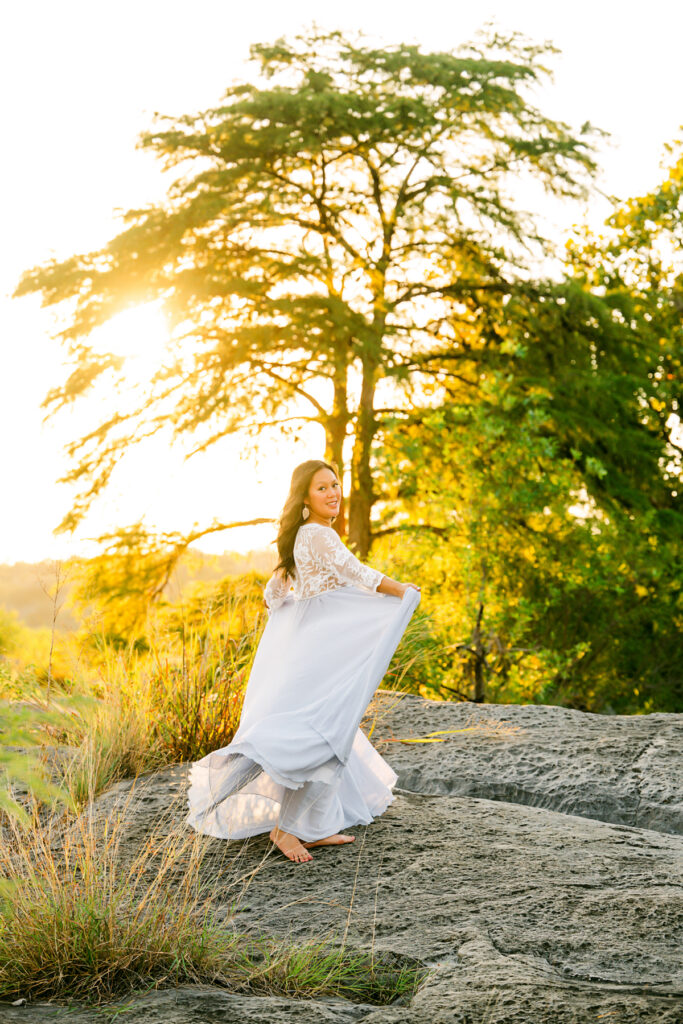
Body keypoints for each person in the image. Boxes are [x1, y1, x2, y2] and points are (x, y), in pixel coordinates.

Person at [185, 459, 421, 864]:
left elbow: (275, 594)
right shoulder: (317, 535)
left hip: (317, 645)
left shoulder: (304, 537)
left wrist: (294, 604)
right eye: (322, 488)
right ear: (305, 499)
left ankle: (311, 827)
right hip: (322, 649)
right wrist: (403, 589)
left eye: (335, 485)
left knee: (333, 733)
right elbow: (355, 571)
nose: (333, 493)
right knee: (325, 736)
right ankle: (286, 829)